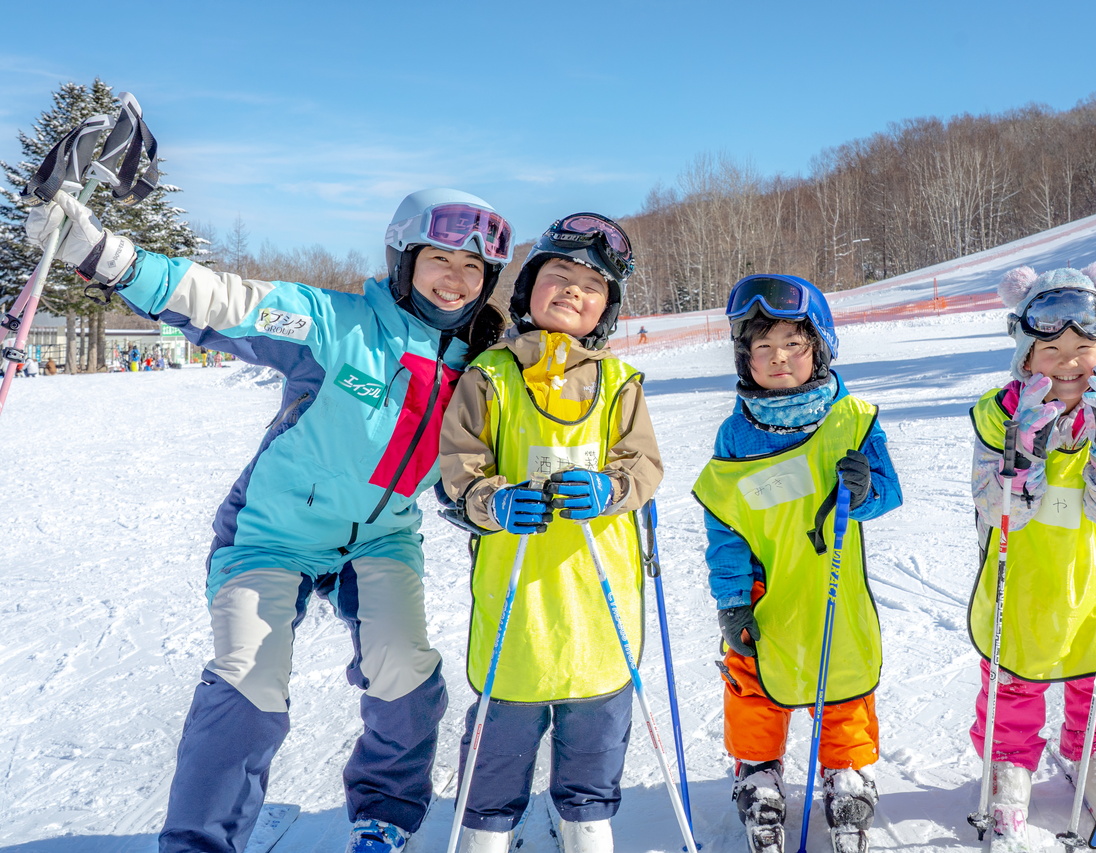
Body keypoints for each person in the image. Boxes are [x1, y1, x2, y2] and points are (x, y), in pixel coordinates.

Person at [25, 186, 516, 853]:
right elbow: (227, 301)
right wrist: (105, 254)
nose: (456, 281)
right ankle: (201, 841)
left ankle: (386, 814)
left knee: (403, 663)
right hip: (274, 531)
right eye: (440, 259)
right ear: (403, 259)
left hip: (379, 537)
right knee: (248, 675)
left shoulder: (479, 367)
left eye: (473, 269)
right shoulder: (335, 325)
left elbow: (486, 457)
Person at [439, 213, 662, 853]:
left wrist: (612, 489)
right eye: (558, 277)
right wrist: (492, 500)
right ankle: (486, 824)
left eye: (591, 287)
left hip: (598, 591)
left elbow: (642, 464)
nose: (572, 292)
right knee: (505, 714)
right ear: (528, 289)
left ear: (607, 310)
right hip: (518, 588)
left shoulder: (620, 383)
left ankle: (585, 817)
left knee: (596, 709)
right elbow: (459, 464)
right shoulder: (492, 374)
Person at [692, 275, 902, 853]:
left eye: (794, 344)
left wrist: (864, 491)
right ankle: (758, 769)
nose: (779, 358)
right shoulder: (737, 434)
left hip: (834, 580)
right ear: (745, 358)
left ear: (821, 349)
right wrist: (733, 600)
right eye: (763, 348)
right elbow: (725, 523)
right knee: (755, 674)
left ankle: (847, 768)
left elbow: (888, 493)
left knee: (844, 672)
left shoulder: (853, 417)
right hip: (765, 582)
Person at [968, 263, 1096, 846]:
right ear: (1024, 357)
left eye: (1084, 347)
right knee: (1014, 672)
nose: (1069, 361)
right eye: (1051, 348)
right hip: (1019, 575)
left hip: (1091, 574)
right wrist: (1024, 454)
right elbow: (999, 509)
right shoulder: (998, 416)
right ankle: (1010, 767)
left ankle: (1094, 750)